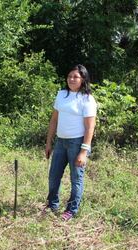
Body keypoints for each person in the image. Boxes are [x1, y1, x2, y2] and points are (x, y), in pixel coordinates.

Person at [44, 64, 97, 221]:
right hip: (61, 142)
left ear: (83, 79)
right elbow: (54, 120)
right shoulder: (61, 95)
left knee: (76, 179)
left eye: (75, 77)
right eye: (69, 76)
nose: (71, 79)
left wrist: (83, 151)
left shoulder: (87, 99)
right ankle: (52, 204)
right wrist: (49, 142)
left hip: (77, 143)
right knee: (54, 176)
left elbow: (90, 127)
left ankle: (71, 210)